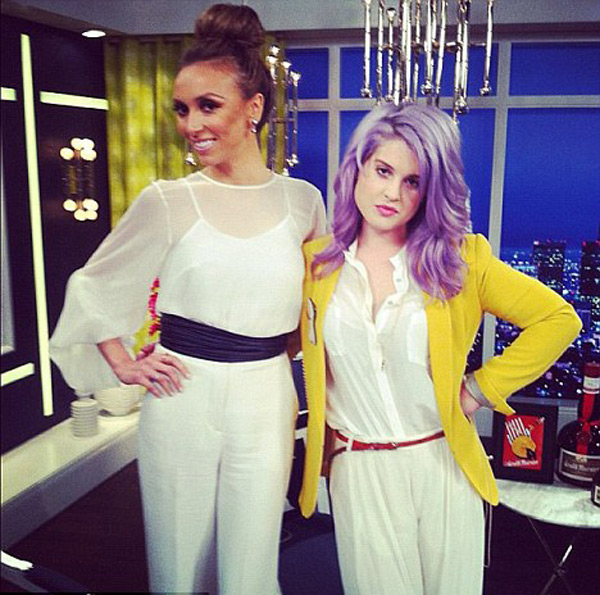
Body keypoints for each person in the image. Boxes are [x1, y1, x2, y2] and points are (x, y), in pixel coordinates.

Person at [50, 4, 326, 594]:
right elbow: (92, 283)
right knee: (177, 562)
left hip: (267, 396)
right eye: (181, 108)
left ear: (254, 108)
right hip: (182, 396)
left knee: (252, 562)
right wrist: (124, 362)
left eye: (208, 105)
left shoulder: (303, 201)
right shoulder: (167, 200)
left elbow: (323, 306)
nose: (191, 123)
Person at [297, 102, 581, 595]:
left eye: (413, 181)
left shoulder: (459, 262)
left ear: (430, 191)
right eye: (383, 170)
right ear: (357, 167)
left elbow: (558, 319)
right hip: (359, 470)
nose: (393, 192)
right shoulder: (314, 266)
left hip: (442, 463)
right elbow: (269, 338)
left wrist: (478, 390)